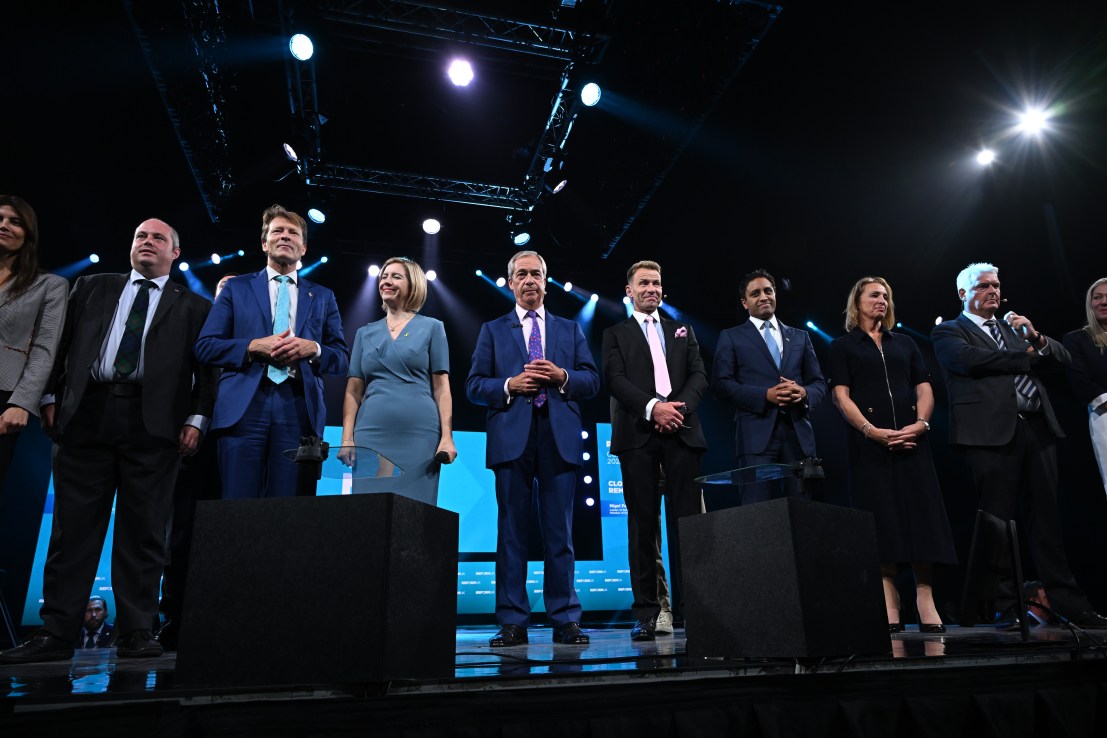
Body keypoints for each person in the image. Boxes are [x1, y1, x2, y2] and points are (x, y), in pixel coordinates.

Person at [0, 218, 217, 664]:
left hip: (155, 426)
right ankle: (56, 632)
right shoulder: (93, 286)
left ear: (175, 253)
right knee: (71, 531)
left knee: (144, 534)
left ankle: (137, 630)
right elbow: (56, 345)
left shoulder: (195, 305)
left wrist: (196, 418)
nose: (148, 243)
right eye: (141, 235)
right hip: (86, 416)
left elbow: (208, 371)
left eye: (159, 238)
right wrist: (48, 395)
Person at [932, 262, 1107, 627]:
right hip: (989, 435)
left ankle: (1071, 605)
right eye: (983, 286)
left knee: (1048, 523)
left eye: (996, 285)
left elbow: (1061, 358)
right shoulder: (950, 331)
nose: (993, 291)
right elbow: (967, 360)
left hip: (1037, 431)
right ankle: (1007, 607)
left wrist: (1036, 337)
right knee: (999, 525)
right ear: (963, 294)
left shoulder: (1015, 329)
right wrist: (1025, 357)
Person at [466, 250, 598, 647]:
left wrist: (561, 377)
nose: (529, 281)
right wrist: (509, 386)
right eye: (521, 274)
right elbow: (474, 385)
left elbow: (591, 380)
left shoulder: (570, 329)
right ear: (509, 283)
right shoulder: (492, 329)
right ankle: (512, 621)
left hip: (558, 436)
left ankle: (565, 619)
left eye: (536, 274)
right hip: (512, 438)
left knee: (560, 534)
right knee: (511, 534)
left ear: (546, 281)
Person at [828, 277, 957, 633]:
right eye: (874, 295)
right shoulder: (843, 346)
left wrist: (921, 425)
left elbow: (924, 388)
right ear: (857, 302)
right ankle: (889, 599)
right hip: (870, 446)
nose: (881, 300)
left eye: (885, 295)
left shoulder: (906, 343)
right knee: (881, 518)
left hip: (913, 441)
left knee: (921, 516)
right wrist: (872, 432)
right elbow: (841, 396)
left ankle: (924, 596)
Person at [195, 204, 349, 499]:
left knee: (287, 510)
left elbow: (341, 359)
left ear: (303, 248)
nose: (285, 237)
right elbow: (205, 346)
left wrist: (313, 348)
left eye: (293, 233)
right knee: (236, 504)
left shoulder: (323, 296)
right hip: (243, 408)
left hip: (298, 408)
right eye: (277, 231)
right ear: (264, 243)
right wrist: (252, 346)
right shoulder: (236, 289)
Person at [603, 260, 708, 641]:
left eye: (657, 283)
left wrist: (676, 409)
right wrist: (652, 408)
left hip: (682, 432)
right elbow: (614, 380)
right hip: (638, 437)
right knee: (643, 527)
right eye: (644, 283)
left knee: (691, 526)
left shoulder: (682, 330)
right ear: (629, 290)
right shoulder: (615, 333)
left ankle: (699, 610)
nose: (652, 288)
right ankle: (649, 612)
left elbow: (699, 374)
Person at [338, 257, 456, 505]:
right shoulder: (364, 333)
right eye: (384, 277)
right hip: (370, 432)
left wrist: (447, 437)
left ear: (412, 285)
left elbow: (441, 388)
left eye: (395, 276)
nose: (386, 281)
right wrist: (347, 438)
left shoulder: (433, 328)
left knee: (415, 512)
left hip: (419, 434)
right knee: (368, 511)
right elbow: (353, 391)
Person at [711, 268, 827, 503]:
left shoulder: (800, 337)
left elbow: (819, 384)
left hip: (798, 436)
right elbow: (720, 385)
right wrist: (765, 395)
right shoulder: (731, 336)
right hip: (756, 436)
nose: (763, 296)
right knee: (758, 515)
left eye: (768, 291)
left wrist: (803, 393)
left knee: (804, 512)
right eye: (755, 293)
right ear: (745, 303)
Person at [0, 195, 68, 497]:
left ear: (28, 233)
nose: (4, 226)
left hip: (3, 396)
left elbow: (45, 349)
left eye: (15, 221)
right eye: (0, 219)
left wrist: (22, 402)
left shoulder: (49, 286)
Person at [1062, 278, 1107, 495]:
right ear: (1090, 304)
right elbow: (1081, 382)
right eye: (1097, 297)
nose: (1103, 302)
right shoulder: (1077, 340)